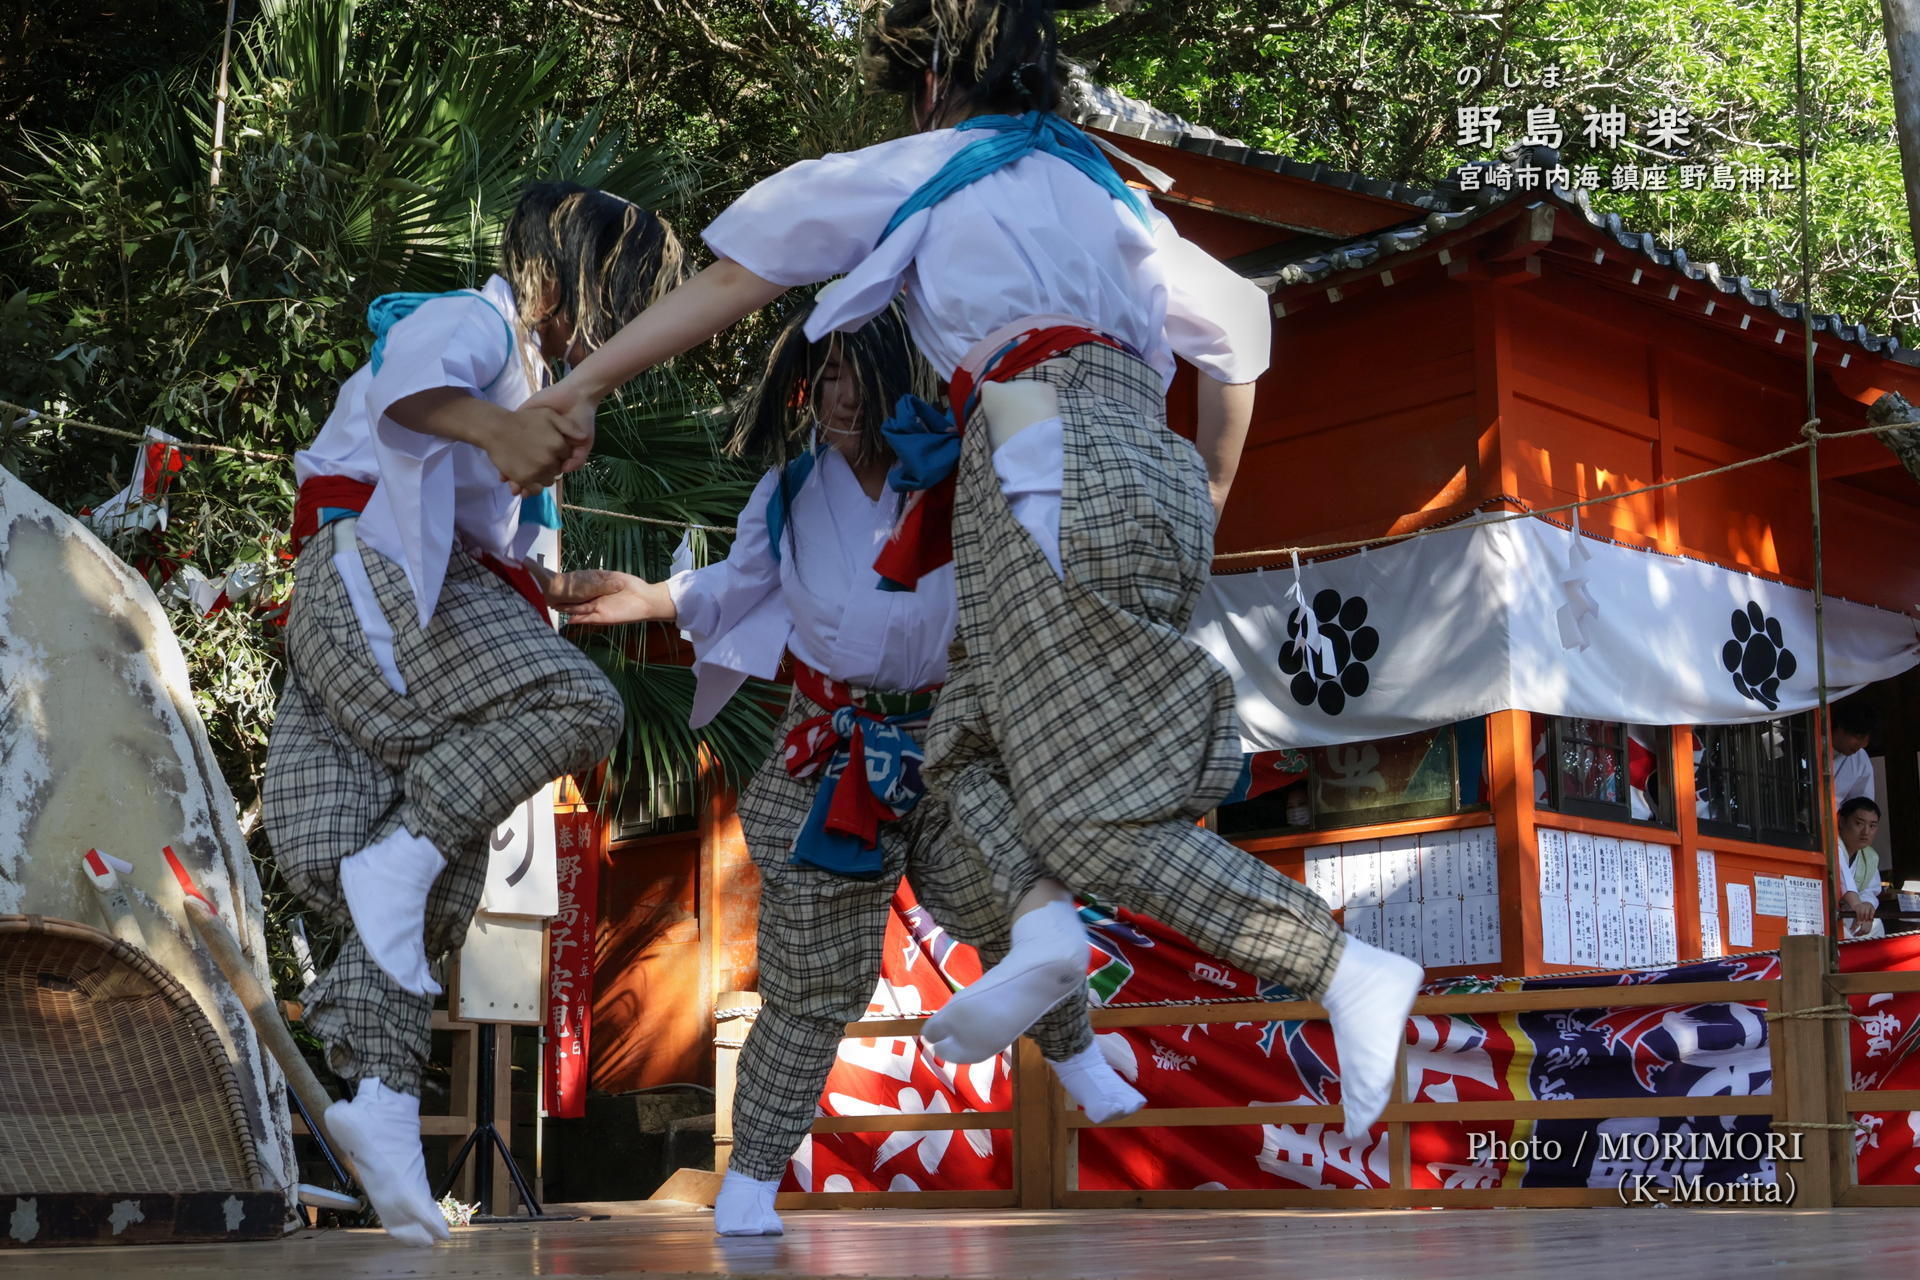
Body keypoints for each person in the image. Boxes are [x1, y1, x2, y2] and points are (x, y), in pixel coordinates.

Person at [525, 0, 1419, 1142]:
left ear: (935, 78)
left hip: (1036, 443)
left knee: (1092, 819)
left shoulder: (931, 168)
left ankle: (1344, 966)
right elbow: (1241, 328)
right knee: (965, 751)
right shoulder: (1108, 194)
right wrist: (1207, 486)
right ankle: (1042, 938)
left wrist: (576, 387)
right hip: (1134, 456)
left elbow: (733, 280)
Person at [540, 296, 1140, 1238]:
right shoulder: (786, 493)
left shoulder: (959, 467)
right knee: (813, 986)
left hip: (949, 741)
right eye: (825, 374)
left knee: (1018, 902)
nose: (840, 393)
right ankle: (750, 1184)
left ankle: (1077, 1057)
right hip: (833, 754)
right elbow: (734, 585)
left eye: (858, 373)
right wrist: (649, 596)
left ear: (900, 378)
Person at [262, 182, 684, 1246]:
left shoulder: (541, 383)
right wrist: (498, 427)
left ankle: (380, 1107)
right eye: (628, 301)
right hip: (372, 574)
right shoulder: (476, 322)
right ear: (573, 278)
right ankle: (397, 862)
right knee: (574, 702)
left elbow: (498, 532)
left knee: (386, 865)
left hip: (414, 600)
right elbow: (408, 392)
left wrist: (561, 588)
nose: (631, 330)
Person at [1836, 796, 1885, 939]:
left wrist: (1866, 909)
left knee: (1876, 925)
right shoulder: (1833, 845)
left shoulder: (1869, 857)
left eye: (1872, 826)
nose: (1866, 832)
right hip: (1828, 913)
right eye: (1859, 823)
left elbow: (1870, 891)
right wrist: (1856, 904)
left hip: (1850, 915)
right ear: (1842, 821)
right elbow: (1841, 874)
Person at [1831, 698, 1877, 807]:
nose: (1860, 745)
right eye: (1858, 737)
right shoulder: (1810, 742)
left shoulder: (1861, 759)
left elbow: (1863, 806)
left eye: (1866, 740)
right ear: (1841, 727)